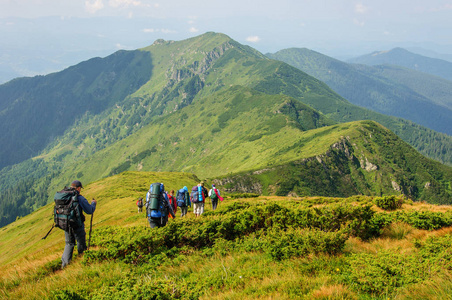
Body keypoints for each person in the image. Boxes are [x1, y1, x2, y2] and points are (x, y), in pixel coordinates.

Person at [61, 180, 96, 269]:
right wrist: (93, 203)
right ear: (79, 188)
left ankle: (64, 266)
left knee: (69, 243)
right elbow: (89, 210)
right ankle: (83, 262)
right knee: (81, 243)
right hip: (77, 225)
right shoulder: (79, 198)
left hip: (66, 225)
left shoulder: (65, 196)